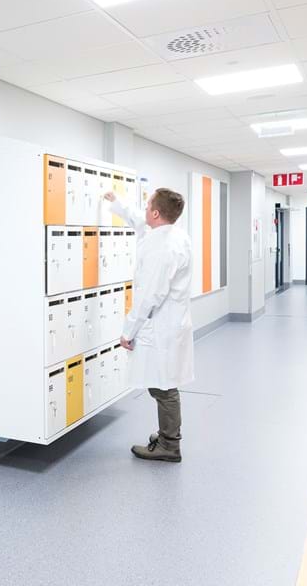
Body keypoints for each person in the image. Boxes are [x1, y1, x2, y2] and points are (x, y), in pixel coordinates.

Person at [104, 188, 194, 463]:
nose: (144, 210)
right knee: (162, 382)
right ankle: (167, 434)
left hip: (161, 325)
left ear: (156, 213)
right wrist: (118, 204)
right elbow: (140, 223)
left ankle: (170, 444)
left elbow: (148, 296)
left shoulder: (164, 247)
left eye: (147, 206)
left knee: (164, 387)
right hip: (168, 324)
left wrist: (128, 331)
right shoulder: (171, 235)